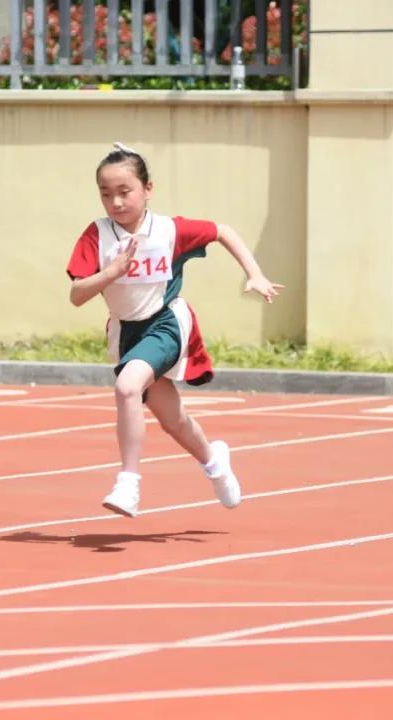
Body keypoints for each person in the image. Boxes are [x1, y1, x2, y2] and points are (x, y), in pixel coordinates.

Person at [67, 142, 283, 518]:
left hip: (166, 323)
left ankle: (129, 483)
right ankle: (215, 461)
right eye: (106, 194)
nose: (116, 202)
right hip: (125, 332)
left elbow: (222, 231)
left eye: (125, 192)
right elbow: (76, 295)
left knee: (127, 386)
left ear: (148, 189)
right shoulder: (96, 236)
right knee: (172, 420)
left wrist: (255, 274)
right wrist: (111, 273)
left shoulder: (168, 230)